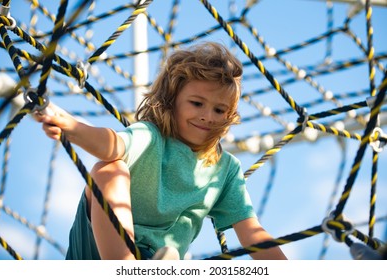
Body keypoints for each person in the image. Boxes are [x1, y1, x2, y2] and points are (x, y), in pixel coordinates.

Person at [35, 42, 287, 260]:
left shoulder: (226, 170)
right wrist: (72, 128)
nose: (208, 116)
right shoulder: (151, 137)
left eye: (219, 110)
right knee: (110, 167)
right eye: (197, 103)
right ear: (171, 100)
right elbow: (110, 144)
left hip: (158, 258)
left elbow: (252, 232)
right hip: (95, 252)